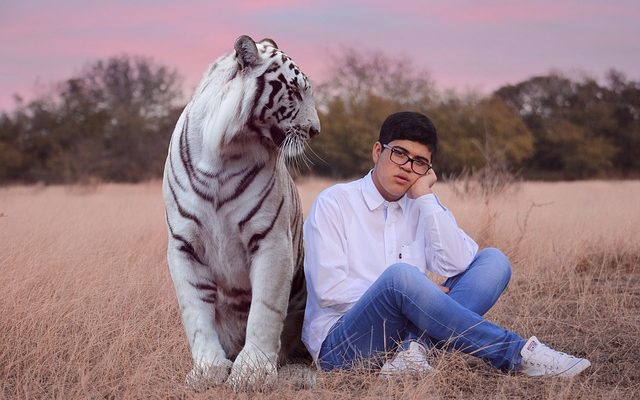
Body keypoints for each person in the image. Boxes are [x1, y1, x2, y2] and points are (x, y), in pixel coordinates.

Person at [302, 111, 591, 377]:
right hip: (343, 345)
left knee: (493, 261)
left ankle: (414, 351)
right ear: (378, 152)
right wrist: (412, 294)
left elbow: (459, 263)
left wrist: (426, 199)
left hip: (403, 335)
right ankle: (517, 353)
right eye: (399, 153)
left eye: (419, 162)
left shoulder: (420, 203)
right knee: (400, 278)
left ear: (428, 170)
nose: (406, 167)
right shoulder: (334, 203)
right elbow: (329, 290)